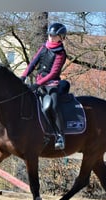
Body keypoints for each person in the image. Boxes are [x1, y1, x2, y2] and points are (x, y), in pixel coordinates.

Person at [20, 22, 68, 150]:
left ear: (61, 37)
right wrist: (24, 76)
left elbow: (53, 73)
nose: (51, 37)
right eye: (50, 35)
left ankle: (59, 135)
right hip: (39, 82)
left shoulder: (61, 53)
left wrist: (37, 84)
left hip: (52, 84)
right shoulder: (44, 47)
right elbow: (33, 63)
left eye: (54, 36)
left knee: (51, 106)